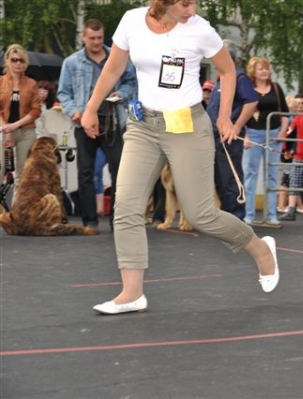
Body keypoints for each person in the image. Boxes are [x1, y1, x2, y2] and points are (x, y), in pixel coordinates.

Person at [81, 0, 279, 314]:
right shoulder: (132, 21)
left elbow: (228, 71)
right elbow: (114, 68)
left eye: (195, 2)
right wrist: (91, 108)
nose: (192, 9)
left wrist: (225, 116)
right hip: (143, 125)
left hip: (187, 126)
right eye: (185, 3)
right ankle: (132, 293)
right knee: (126, 208)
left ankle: (259, 248)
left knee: (201, 215)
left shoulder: (200, 30)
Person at [57, 19, 137, 230]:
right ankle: (89, 221)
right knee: (86, 172)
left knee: (119, 170)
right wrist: (73, 110)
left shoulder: (118, 57)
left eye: (99, 38)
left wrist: (122, 93)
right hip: (84, 121)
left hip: (113, 120)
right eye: (91, 38)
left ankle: (117, 221)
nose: (95, 42)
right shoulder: (71, 62)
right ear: (83, 37)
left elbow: (132, 82)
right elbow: (63, 92)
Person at [208, 39, 259, 221]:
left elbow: (251, 101)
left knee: (230, 178)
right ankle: (226, 218)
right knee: (219, 179)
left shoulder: (238, 77)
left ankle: (236, 218)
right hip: (214, 135)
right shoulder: (221, 77)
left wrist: (236, 127)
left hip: (228, 136)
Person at [243, 56, 289, 227]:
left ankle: (271, 215)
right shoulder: (247, 89)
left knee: (271, 176)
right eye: (260, 68)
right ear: (253, 72)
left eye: (266, 68)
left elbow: (285, 113)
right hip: (253, 133)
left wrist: (282, 133)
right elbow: (242, 113)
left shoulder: (276, 88)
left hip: (274, 135)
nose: (264, 71)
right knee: (250, 174)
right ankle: (249, 214)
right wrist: (245, 135)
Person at [0, 44, 41, 204]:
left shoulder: (31, 84)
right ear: (7, 61)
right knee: (1, 166)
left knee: (23, 173)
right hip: (4, 130)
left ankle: (18, 211)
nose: (18, 63)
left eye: (21, 60)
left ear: (26, 64)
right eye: (14, 60)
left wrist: (15, 125)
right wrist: (6, 128)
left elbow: (36, 111)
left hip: (26, 131)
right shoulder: (1, 82)